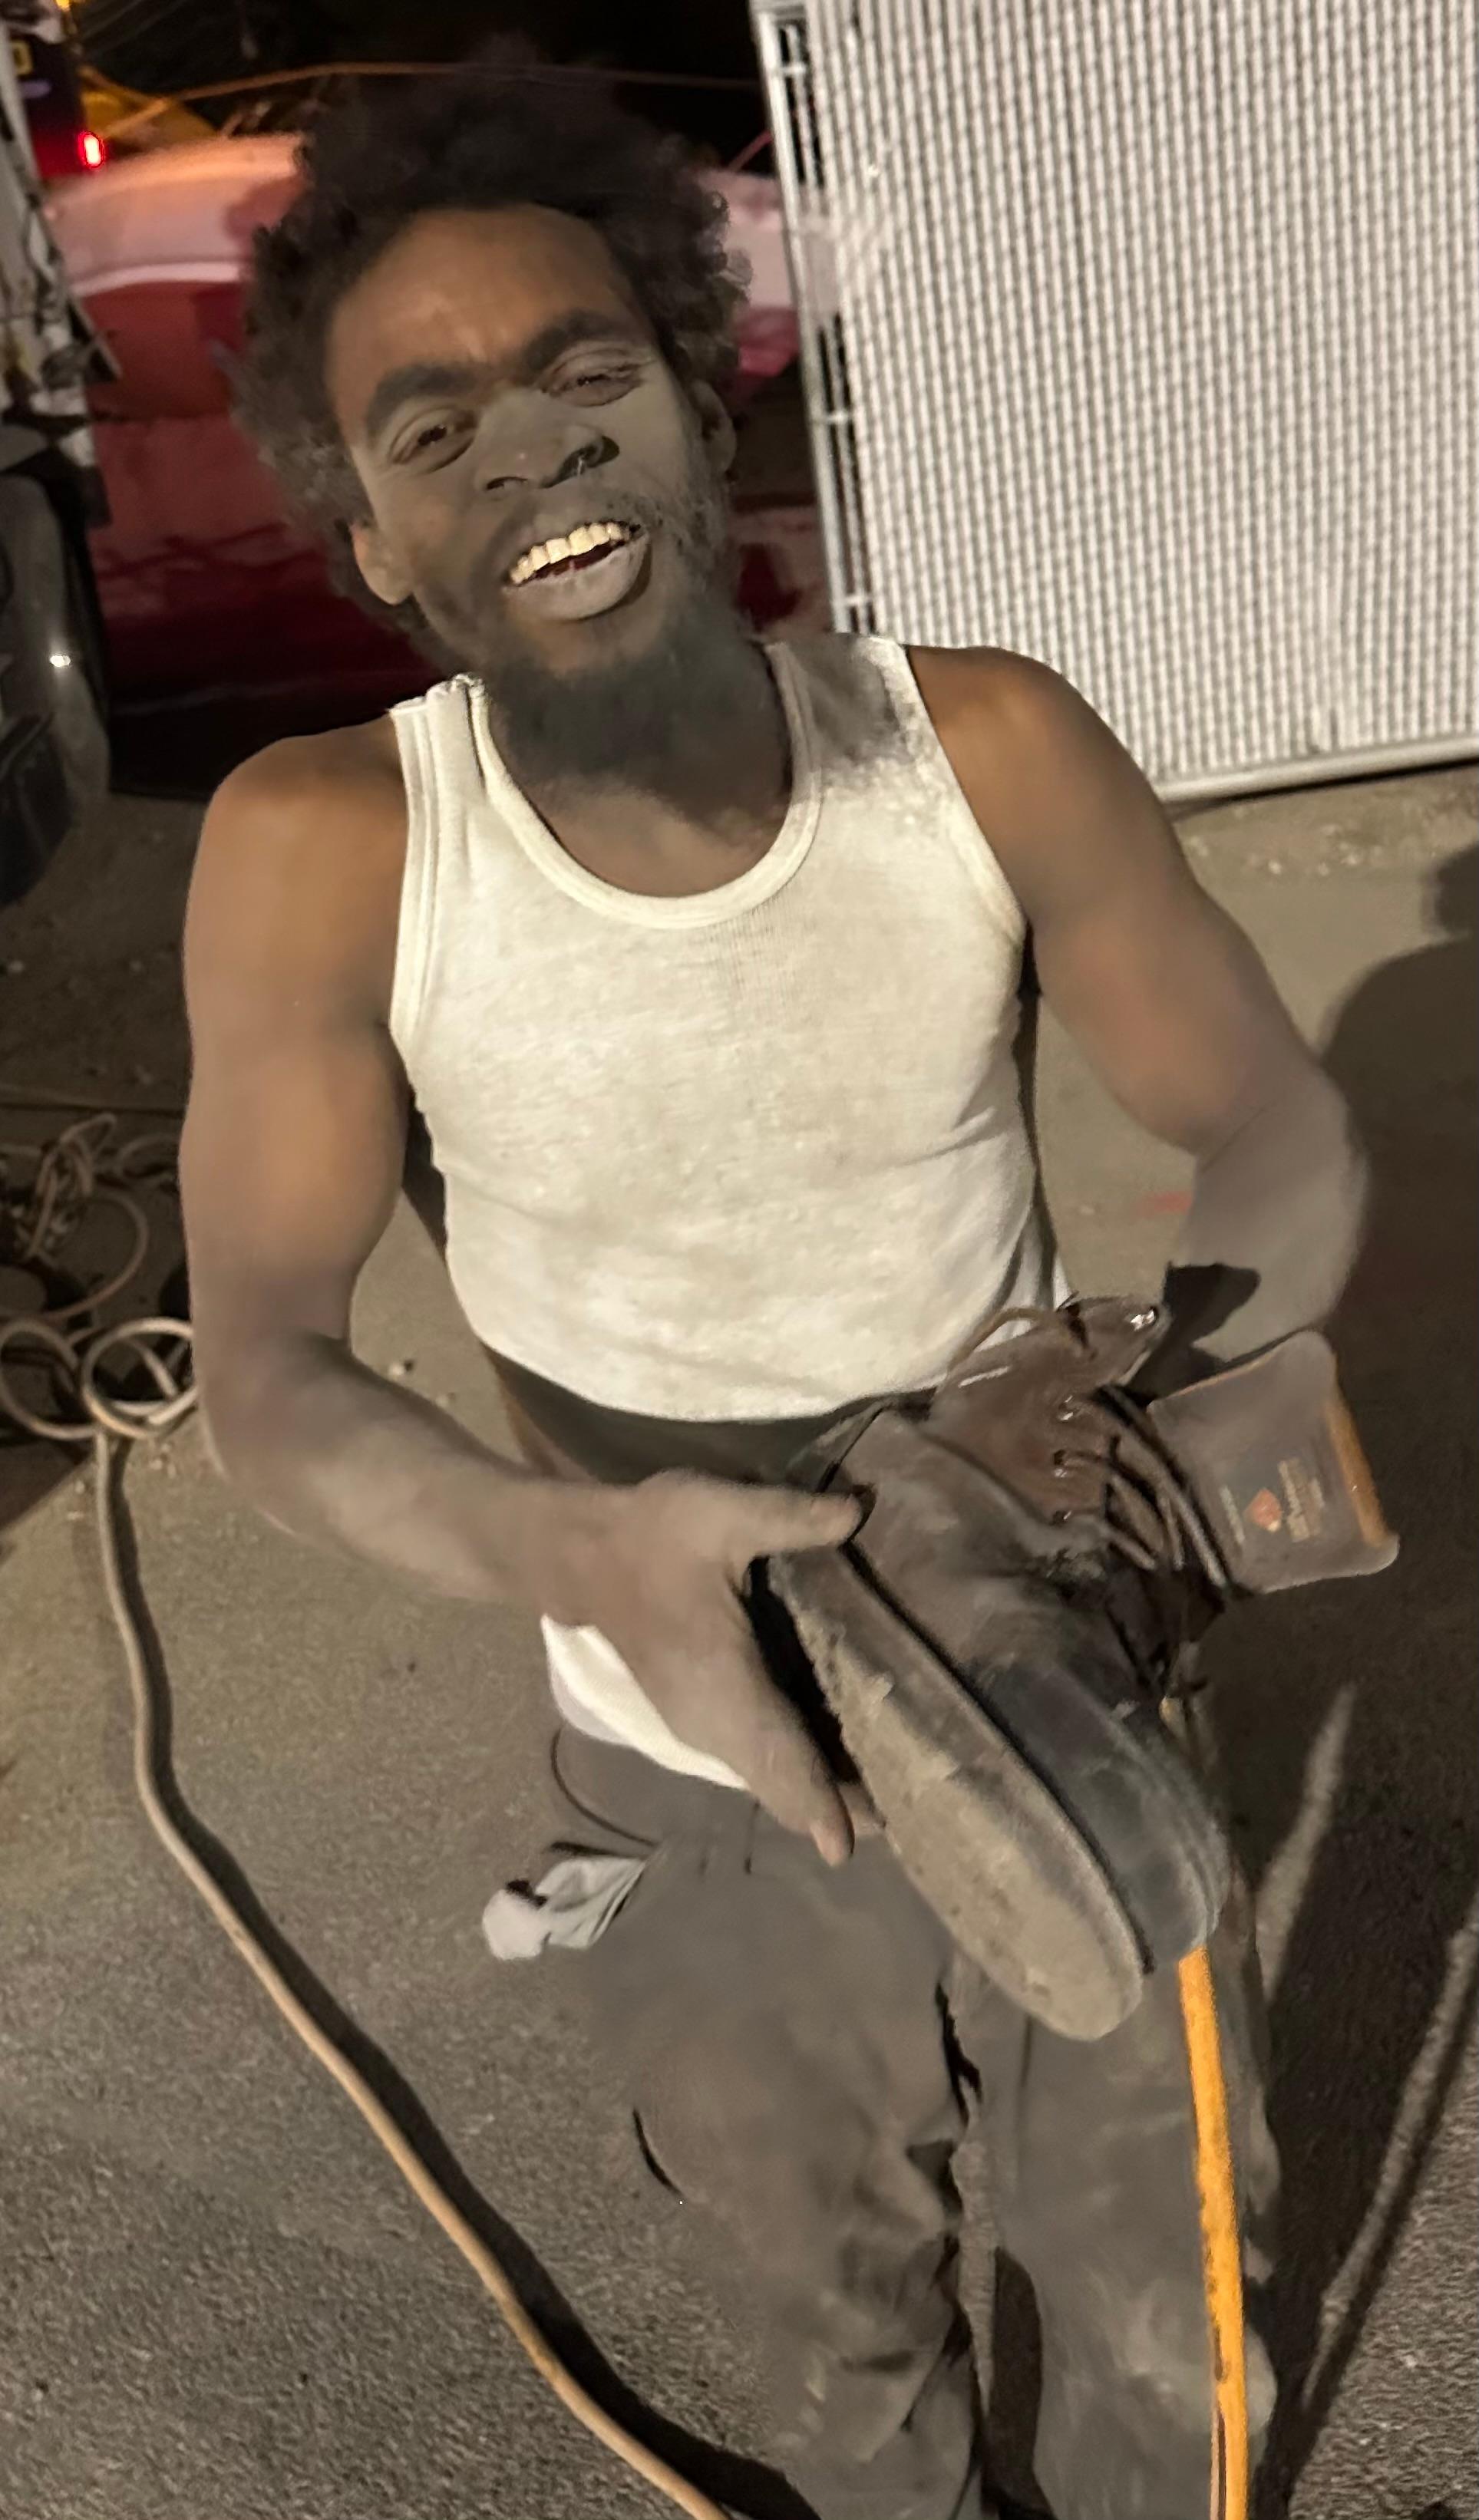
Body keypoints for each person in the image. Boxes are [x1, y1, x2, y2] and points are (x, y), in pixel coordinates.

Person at [181, 52, 1366, 2520]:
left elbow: (1278, 1118)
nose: (535, 452)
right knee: (845, 2367)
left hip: (1046, 1685)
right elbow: (270, 1373)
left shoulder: (982, 745)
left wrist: (1139, 1400)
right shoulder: (338, 847)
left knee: (1174, 2324)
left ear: (700, 400)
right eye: (436, 431)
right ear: (374, 538)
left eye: (582, 373)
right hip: (685, 1770)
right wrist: (587, 1548)